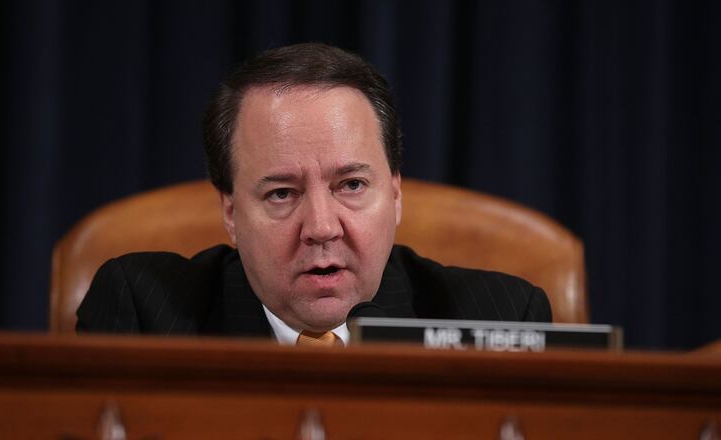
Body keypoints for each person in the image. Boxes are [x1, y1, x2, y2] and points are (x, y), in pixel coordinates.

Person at [76, 43, 552, 344]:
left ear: (396, 194)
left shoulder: (504, 317)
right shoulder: (146, 313)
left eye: (351, 185)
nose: (321, 228)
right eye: (282, 193)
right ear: (230, 212)